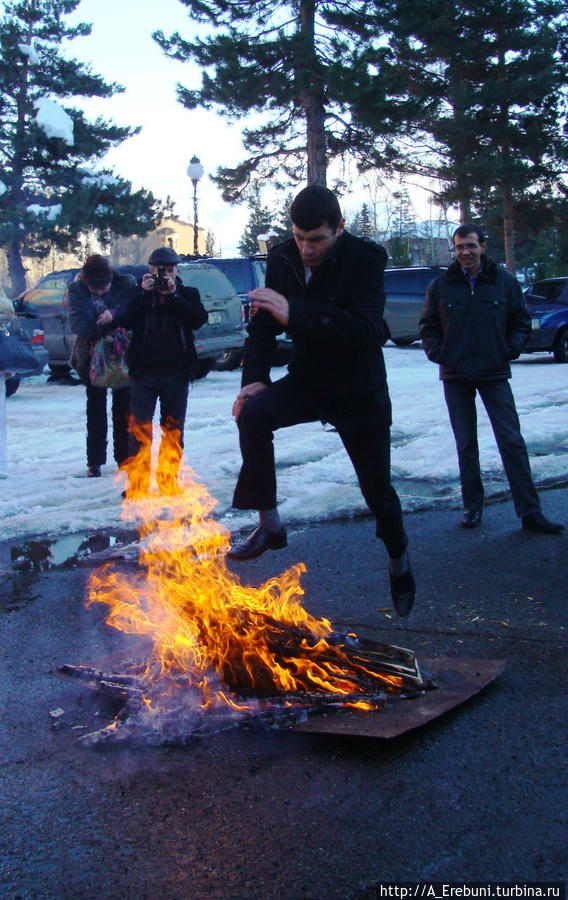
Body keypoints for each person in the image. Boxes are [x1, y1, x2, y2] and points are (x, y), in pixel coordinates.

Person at [227, 184, 415, 617]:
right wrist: (254, 379)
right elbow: (262, 327)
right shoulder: (282, 259)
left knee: (378, 492)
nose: (307, 249)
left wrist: (296, 313)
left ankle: (398, 559)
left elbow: (367, 331)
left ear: (339, 228)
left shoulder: (366, 259)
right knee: (252, 414)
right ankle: (270, 526)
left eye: (317, 240)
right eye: (299, 238)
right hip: (309, 378)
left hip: (357, 389)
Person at [419, 223, 564, 534]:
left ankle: (530, 512)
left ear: (482, 246)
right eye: (459, 247)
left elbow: (521, 321)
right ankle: (473, 507)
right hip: (456, 375)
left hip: (494, 372)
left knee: (511, 442)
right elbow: (428, 326)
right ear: (454, 250)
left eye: (470, 246)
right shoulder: (441, 285)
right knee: (466, 445)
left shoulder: (505, 283)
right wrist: (439, 352)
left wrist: (508, 349)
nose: (465, 252)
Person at [98, 247, 208, 495]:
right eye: (160, 270)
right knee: (139, 430)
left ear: (177, 270)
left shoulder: (187, 293)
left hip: (177, 373)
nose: (164, 275)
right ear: (150, 269)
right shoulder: (138, 293)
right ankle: (137, 483)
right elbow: (123, 319)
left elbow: (198, 319)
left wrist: (174, 296)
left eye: (169, 270)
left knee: (173, 430)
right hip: (143, 373)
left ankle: (168, 481)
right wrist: (142, 293)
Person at [67, 255, 135, 478]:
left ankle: (124, 457)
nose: (100, 292)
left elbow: (132, 310)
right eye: (94, 289)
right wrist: (100, 323)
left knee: (123, 408)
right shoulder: (77, 290)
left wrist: (113, 315)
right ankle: (94, 461)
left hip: (122, 356)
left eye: (103, 287)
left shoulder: (125, 283)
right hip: (92, 356)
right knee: (95, 410)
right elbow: (78, 323)